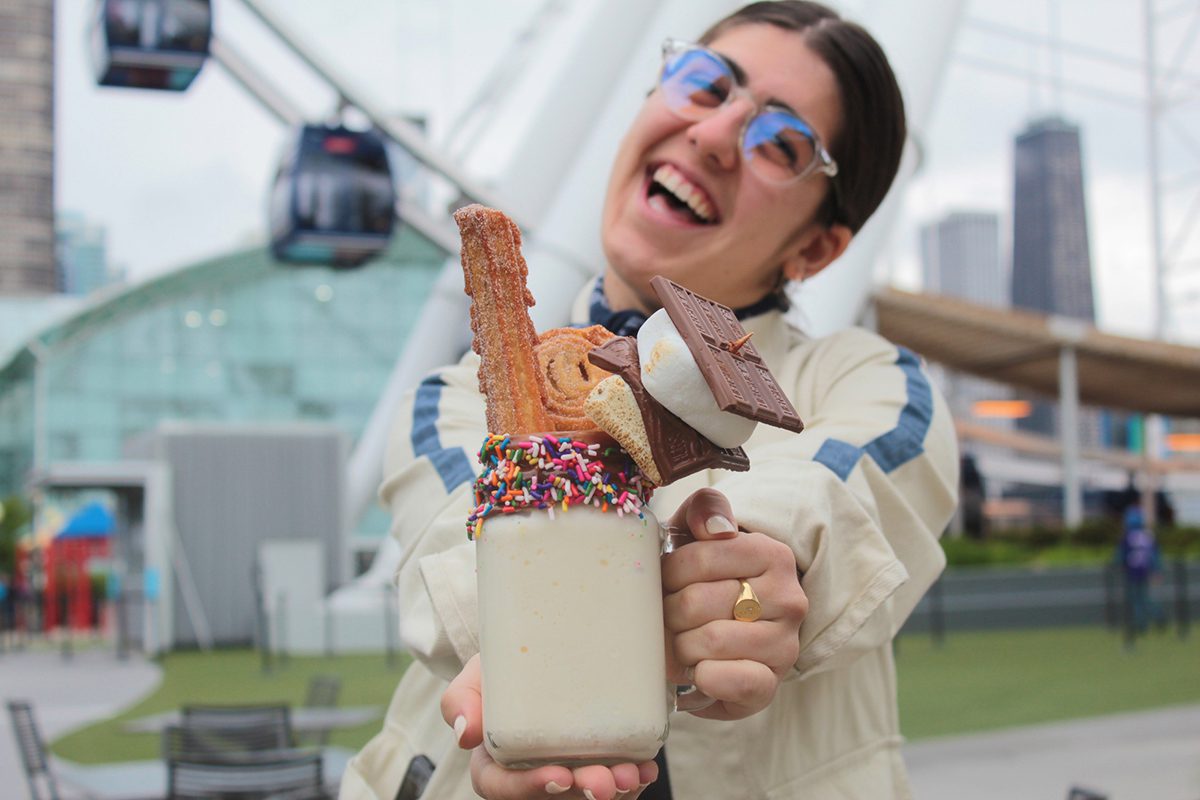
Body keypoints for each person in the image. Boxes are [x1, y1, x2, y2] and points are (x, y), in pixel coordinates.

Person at [342, 3, 958, 799]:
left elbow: (846, 500)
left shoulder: (871, 383)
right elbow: (455, 575)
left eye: (781, 143)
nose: (712, 134)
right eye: (703, 84)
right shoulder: (459, 395)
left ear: (815, 247)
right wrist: (676, 602)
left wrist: (749, 569)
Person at [1115, 506, 1164, 636]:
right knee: (1144, 598)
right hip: (1145, 570)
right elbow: (1155, 555)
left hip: (1132, 572)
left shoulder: (1127, 537)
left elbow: (1120, 556)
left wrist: (1119, 566)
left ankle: (1141, 624)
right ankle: (1157, 615)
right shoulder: (1148, 535)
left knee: (1136, 599)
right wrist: (1156, 570)